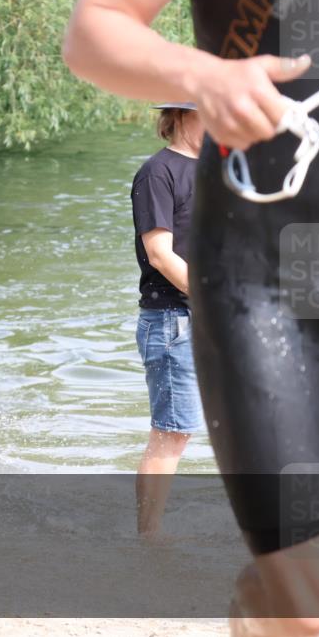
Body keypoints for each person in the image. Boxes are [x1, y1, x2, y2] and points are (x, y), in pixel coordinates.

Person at [64, 0, 319, 636]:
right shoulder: (158, 173)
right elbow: (95, 25)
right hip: (265, 280)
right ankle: (262, 608)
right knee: (316, 591)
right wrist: (206, 76)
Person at [131, 101, 206, 538]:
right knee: (171, 434)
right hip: (172, 320)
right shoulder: (157, 172)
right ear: (179, 115)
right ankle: (149, 537)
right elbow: (160, 254)